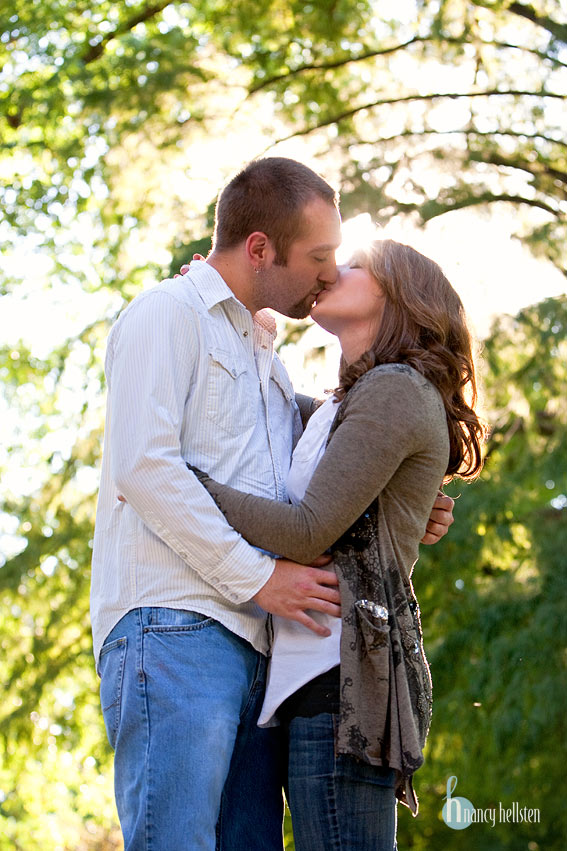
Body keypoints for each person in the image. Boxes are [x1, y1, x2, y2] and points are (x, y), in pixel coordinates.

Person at [91, 157, 454, 850]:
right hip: (176, 620)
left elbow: (326, 445)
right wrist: (260, 576)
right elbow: (143, 466)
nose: (326, 272)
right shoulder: (167, 314)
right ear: (259, 247)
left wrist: (409, 485)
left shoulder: (265, 356)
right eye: (319, 257)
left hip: (254, 640)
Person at [188, 238, 485, 851]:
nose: (331, 272)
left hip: (344, 687)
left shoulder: (397, 389)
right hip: (314, 684)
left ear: (397, 296)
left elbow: (307, 530)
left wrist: (186, 486)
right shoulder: (342, 406)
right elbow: (266, 411)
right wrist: (230, 308)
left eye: (354, 267)